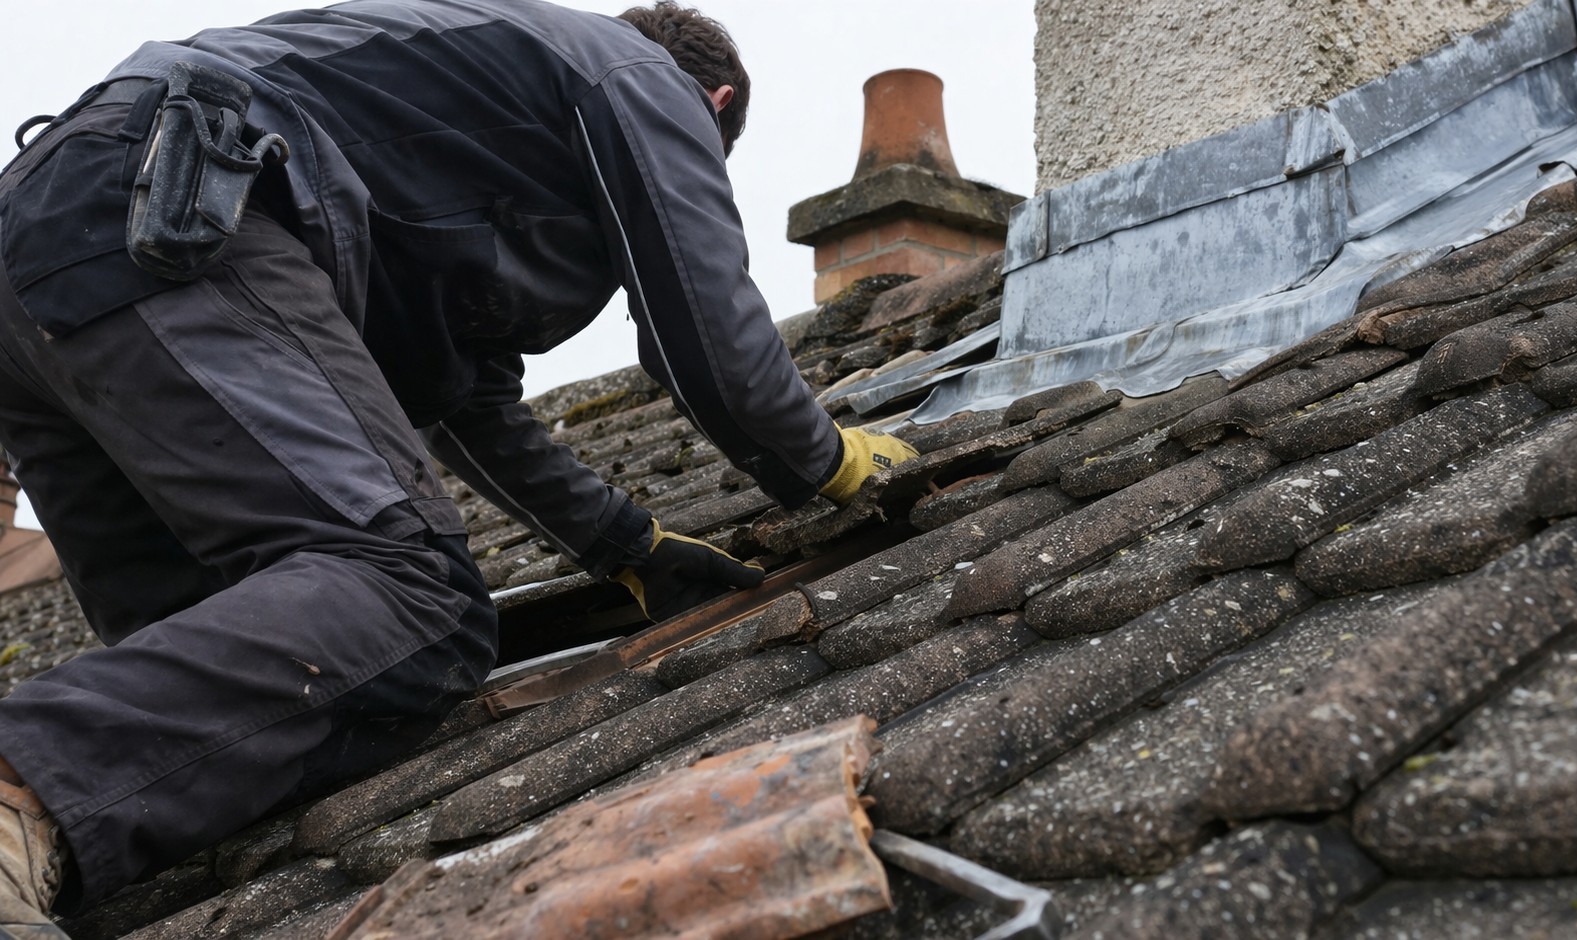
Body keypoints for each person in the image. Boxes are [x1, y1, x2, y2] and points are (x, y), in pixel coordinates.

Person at [0, 1, 918, 933]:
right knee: (411, 598)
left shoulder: (457, 131)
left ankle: (23, 845)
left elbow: (463, 400)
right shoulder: (632, 76)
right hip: (175, 208)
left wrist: (623, 543)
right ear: (712, 106)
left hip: (49, 245)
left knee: (254, 670)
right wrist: (829, 464)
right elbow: (706, 335)